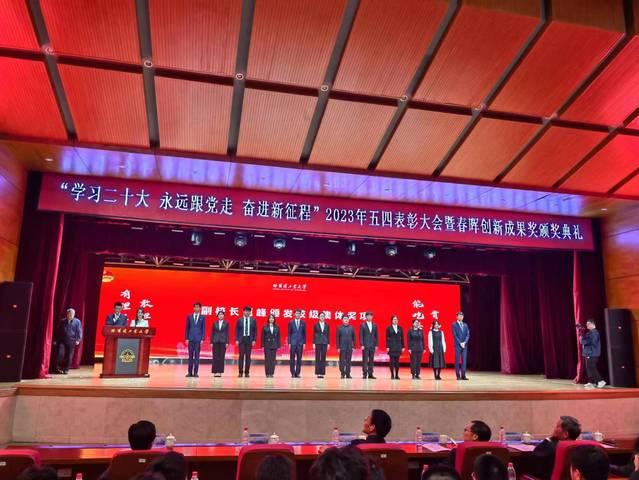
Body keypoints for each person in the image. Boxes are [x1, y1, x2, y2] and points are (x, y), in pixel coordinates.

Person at [532, 415, 581, 480]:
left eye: (557, 426)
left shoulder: (550, 447)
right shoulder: (580, 448)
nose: (554, 429)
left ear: (565, 434)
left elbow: (534, 457)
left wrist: (550, 438)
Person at [53, 308, 82, 374]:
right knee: (60, 354)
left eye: (72, 314)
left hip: (71, 341)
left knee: (69, 356)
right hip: (62, 340)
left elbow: (79, 331)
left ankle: (66, 369)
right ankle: (59, 368)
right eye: (70, 314)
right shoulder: (62, 321)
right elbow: (58, 331)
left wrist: (78, 339)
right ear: (67, 314)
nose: (71, 315)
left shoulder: (77, 322)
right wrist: (55, 340)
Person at [580, 319, 605, 389]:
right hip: (589, 353)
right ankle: (592, 382)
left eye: (588, 324)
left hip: (592, 353)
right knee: (589, 368)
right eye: (586, 324)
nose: (587, 325)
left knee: (591, 368)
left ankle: (600, 381)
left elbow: (593, 342)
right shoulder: (590, 333)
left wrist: (582, 340)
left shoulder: (594, 333)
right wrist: (582, 336)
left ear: (592, 324)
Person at [184, 302, 205, 378]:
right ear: (193, 308)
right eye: (195, 307)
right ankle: (189, 372)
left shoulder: (202, 317)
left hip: (198, 340)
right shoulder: (189, 316)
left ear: (200, 308)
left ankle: (196, 372)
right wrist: (186, 338)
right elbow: (187, 328)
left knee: (197, 356)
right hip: (190, 339)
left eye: (198, 307)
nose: (196, 308)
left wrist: (202, 339)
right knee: (190, 356)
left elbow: (203, 329)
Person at [236, 306, 257, 377]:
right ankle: (240, 372)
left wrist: (254, 340)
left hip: (249, 340)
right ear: (243, 312)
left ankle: (247, 372)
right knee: (241, 356)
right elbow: (237, 330)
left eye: (248, 311)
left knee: (248, 356)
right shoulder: (239, 320)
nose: (247, 312)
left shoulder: (253, 320)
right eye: (246, 311)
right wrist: (237, 339)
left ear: (250, 312)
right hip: (241, 340)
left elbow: (255, 331)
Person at [288, 308, 306, 378]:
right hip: (293, 343)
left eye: (299, 313)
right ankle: (292, 373)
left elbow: (304, 334)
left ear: (300, 314)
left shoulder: (303, 323)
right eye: (296, 313)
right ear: (294, 314)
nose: (298, 314)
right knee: (292, 358)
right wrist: (289, 343)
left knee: (299, 359)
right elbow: (289, 333)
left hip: (300, 343)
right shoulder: (291, 322)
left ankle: (297, 373)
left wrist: (304, 343)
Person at [211, 309, 229, 377]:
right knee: (215, 357)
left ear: (223, 315)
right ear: (217, 315)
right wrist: (211, 342)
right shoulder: (214, 323)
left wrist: (227, 342)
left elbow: (227, 333)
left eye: (222, 314)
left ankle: (220, 371)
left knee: (221, 357)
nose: (220, 316)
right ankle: (215, 371)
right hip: (215, 341)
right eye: (219, 314)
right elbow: (212, 333)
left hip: (223, 341)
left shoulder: (226, 323)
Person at [360, 311, 378, 379]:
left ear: (372, 317)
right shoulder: (363, 325)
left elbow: (376, 336)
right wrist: (362, 344)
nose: (369, 317)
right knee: (365, 360)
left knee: (371, 360)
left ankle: (370, 374)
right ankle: (365, 374)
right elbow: (361, 335)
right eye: (368, 316)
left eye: (370, 316)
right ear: (365, 317)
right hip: (365, 345)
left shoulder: (374, 325)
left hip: (372, 345)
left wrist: (376, 345)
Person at [385, 315, 404, 380]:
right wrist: (387, 346)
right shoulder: (389, 328)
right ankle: (392, 375)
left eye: (396, 319)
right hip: (391, 347)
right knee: (392, 362)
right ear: (391, 320)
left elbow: (402, 338)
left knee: (397, 362)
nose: (395, 320)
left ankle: (397, 375)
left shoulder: (400, 328)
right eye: (394, 319)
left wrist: (403, 346)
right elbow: (387, 338)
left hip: (398, 347)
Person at [452, 311, 470, 380]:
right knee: (457, 361)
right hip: (457, 345)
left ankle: (463, 375)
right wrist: (460, 343)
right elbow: (455, 335)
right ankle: (458, 375)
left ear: (463, 317)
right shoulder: (454, 324)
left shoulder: (465, 325)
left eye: (461, 316)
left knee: (464, 360)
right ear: (457, 317)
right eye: (459, 316)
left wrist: (464, 342)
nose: (460, 317)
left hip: (464, 345)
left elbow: (468, 334)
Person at [313, 312, 330, 378]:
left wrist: (328, 343)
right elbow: (314, 335)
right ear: (318, 317)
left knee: (323, 358)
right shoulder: (316, 325)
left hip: (324, 343)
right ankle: (318, 373)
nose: (322, 317)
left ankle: (322, 373)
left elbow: (328, 335)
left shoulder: (327, 325)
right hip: (317, 343)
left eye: (323, 316)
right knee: (317, 358)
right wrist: (314, 343)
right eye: (321, 316)